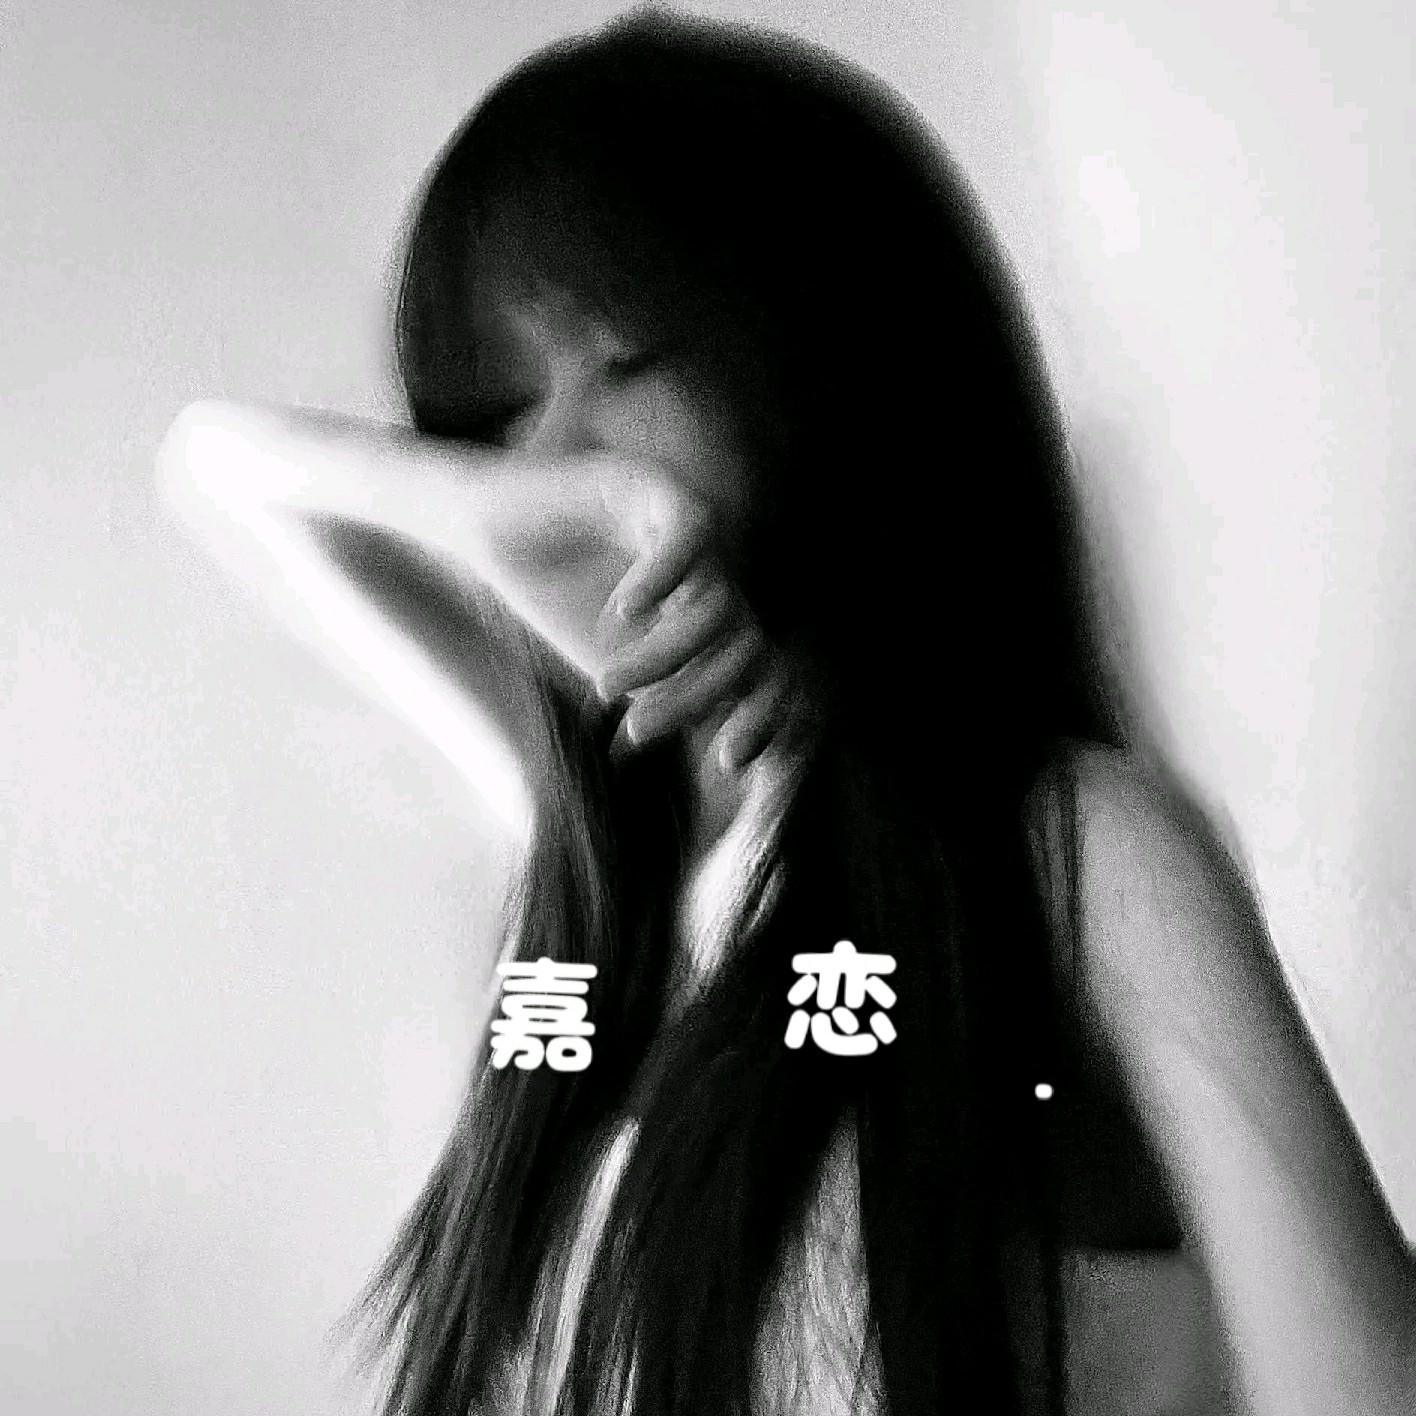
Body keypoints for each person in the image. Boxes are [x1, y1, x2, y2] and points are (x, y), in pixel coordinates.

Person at [156, 11, 1414, 1416]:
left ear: (828, 363)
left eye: (629, 365)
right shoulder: (605, 854)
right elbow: (215, 472)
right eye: (499, 414)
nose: (553, 463)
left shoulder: (1073, 851)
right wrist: (496, 508)